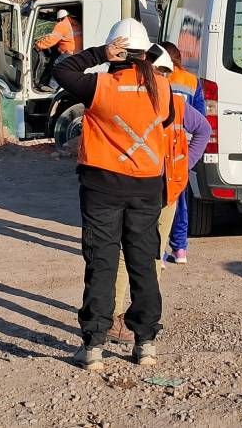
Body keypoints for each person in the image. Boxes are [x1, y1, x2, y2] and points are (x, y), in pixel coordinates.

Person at [53, 19, 172, 371]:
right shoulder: (162, 88)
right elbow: (165, 123)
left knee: (102, 263)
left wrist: (98, 54)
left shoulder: (100, 86)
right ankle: (146, 343)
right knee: (143, 264)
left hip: (102, 187)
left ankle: (93, 347)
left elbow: (62, 70)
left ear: (116, 52)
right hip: (147, 187)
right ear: (145, 54)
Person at [108, 47, 211, 344]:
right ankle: (140, 318)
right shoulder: (176, 98)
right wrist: (184, 164)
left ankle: (116, 317)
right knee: (153, 251)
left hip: (141, 184)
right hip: (164, 185)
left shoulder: (130, 98)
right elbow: (203, 128)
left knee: (126, 251)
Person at [158, 41, 205, 265]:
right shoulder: (191, 80)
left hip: (159, 148)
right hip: (183, 150)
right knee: (180, 201)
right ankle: (180, 249)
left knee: (159, 204)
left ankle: (158, 251)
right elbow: (201, 118)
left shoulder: (157, 79)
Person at [33, 8, 83, 91]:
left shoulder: (62, 25)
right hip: (78, 51)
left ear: (59, 18)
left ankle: (52, 86)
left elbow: (51, 40)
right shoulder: (76, 23)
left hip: (68, 52)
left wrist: (38, 45)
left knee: (57, 65)